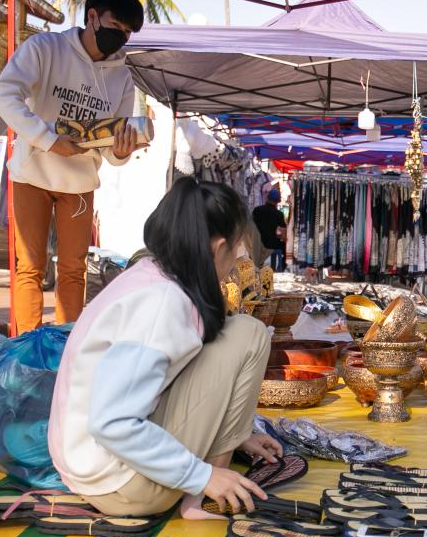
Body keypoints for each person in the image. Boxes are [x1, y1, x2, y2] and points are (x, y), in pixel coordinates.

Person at [48, 179, 281, 519]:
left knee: (236, 333)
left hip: (98, 469)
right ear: (217, 249)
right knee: (249, 334)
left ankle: (213, 471)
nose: (237, 264)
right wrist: (203, 476)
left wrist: (233, 432)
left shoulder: (155, 275)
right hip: (122, 485)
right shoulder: (160, 303)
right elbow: (113, 423)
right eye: (237, 252)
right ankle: (206, 496)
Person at [0, 0, 147, 335]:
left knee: (74, 269)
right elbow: (3, 96)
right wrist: (48, 140)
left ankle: (66, 346)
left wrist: (120, 153)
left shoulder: (122, 78)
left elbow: (111, 143)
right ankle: (26, 345)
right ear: (92, 16)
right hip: (31, 173)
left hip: (79, 182)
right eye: (115, 25)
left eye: (126, 33)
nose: (119, 37)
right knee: (29, 266)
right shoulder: (45, 48)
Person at [252, 188, 287, 271]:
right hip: (272, 244)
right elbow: (283, 232)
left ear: (267, 198)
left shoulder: (257, 210)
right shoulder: (279, 214)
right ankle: (281, 268)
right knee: (285, 247)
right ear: (278, 201)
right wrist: (283, 239)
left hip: (257, 243)